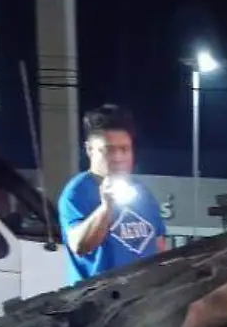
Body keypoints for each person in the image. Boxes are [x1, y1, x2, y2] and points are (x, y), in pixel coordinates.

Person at [58, 104, 167, 284]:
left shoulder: (143, 192)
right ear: (89, 150)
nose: (118, 157)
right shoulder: (76, 193)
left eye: (124, 149)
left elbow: (160, 246)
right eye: (108, 149)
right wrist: (106, 206)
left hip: (144, 300)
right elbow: (80, 245)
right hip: (99, 303)